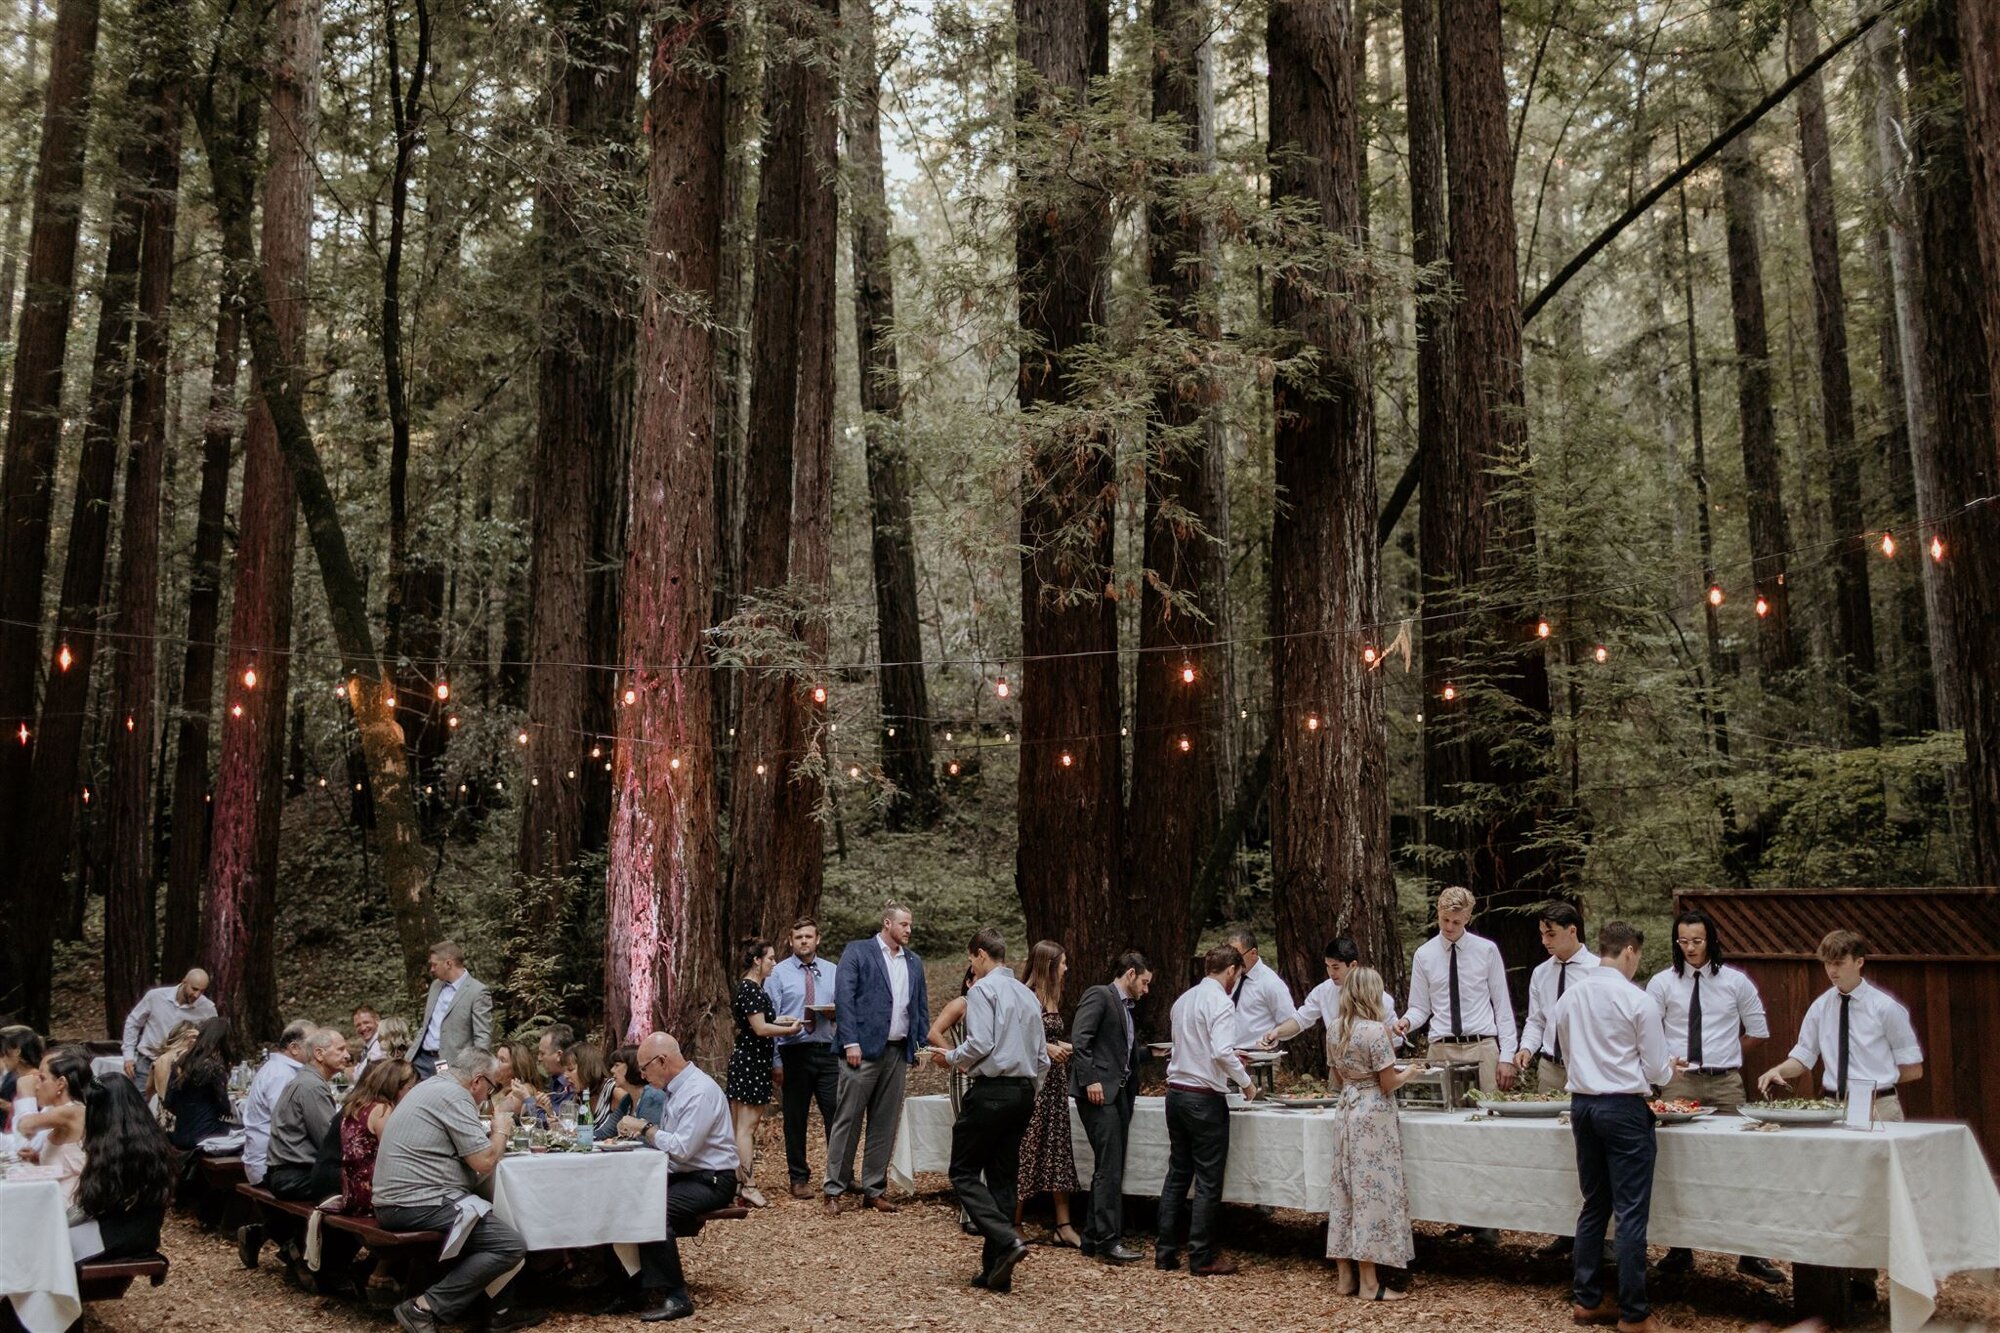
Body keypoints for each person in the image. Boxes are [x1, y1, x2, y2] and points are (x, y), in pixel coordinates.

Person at [1648, 909, 1782, 1283]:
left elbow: (1758, 1029)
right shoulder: (1661, 983)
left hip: (1725, 1083)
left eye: (1697, 941)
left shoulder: (1735, 982)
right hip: (1679, 1083)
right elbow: (1648, 1030)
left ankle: (1750, 1252)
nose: (1690, 948)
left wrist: (1727, 1054)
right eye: (1683, 941)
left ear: (1711, 941)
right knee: (1676, 1164)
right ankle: (1679, 1249)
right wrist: (1665, 1063)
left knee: (1739, 1163)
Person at [1553, 921, 1674, 1333]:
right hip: (1623, 1107)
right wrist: (1665, 1069)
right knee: (1630, 1212)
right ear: (1628, 952)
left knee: (1594, 1204)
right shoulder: (1637, 1000)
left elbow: (1567, 1054)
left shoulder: (1570, 997)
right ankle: (1634, 1314)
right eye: (1637, 957)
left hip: (1583, 1105)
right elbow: (1658, 1069)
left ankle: (1586, 1300)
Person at [371, 1046, 540, 1333]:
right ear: (477, 1080)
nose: (488, 1095)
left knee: (490, 1221)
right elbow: (484, 1161)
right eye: (490, 1087)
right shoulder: (455, 1096)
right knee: (508, 1244)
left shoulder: (432, 1087)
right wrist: (501, 1129)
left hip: (397, 1198)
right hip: (416, 1202)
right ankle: (424, 1307)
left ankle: (489, 1306)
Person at [923, 929, 1049, 1295]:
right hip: (1024, 1093)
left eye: (970, 959)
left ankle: (1006, 1239)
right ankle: (996, 1271)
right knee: (1003, 1178)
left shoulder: (981, 990)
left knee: (962, 1171)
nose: (970, 967)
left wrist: (949, 1057)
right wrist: (1029, 1093)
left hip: (992, 1091)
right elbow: (1042, 1057)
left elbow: (979, 1043)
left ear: (980, 955)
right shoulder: (1028, 995)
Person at [612, 1033, 740, 1323]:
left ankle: (677, 1296)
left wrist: (645, 1128)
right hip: (687, 1174)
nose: (642, 1075)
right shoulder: (676, 1089)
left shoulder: (698, 1091)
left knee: (656, 1210)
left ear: (662, 1061)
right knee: (626, 1198)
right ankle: (632, 1287)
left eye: (644, 1068)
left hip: (713, 1179)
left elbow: (682, 1148)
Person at [1325, 967, 1425, 1301]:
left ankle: (1345, 1277)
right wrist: (1408, 1072)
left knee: (1345, 1189)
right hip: (1372, 1114)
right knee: (1371, 1192)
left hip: (1346, 1109)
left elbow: (1339, 1079)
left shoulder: (1334, 1028)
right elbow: (1387, 1082)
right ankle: (1369, 1283)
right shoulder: (1375, 1032)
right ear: (1371, 995)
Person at [1157, 944, 1255, 1277]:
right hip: (1203, 1098)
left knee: (1177, 1173)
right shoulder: (1221, 1003)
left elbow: (1194, 1046)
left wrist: (1227, 1056)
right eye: (1238, 975)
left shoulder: (1183, 1000)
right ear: (1231, 971)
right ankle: (1201, 1256)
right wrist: (1246, 1082)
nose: (1236, 981)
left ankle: (1165, 1252)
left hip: (1176, 1094)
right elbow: (1221, 1052)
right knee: (1208, 1180)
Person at [826, 901, 930, 1215]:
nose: (909, 930)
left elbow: (920, 1007)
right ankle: (834, 1188)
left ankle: (874, 1188)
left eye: (911, 925)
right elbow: (844, 999)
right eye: (904, 925)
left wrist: (919, 1045)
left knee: (884, 1123)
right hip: (861, 1051)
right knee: (848, 1120)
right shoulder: (858, 952)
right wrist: (850, 1042)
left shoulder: (913, 962)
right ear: (887, 923)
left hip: (897, 1051)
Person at [1758, 928, 1923, 1115]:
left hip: (1877, 1104)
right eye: (1827, 964)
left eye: (1839, 963)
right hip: (1833, 1105)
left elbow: (1913, 1069)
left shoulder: (1885, 1007)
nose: (1832, 970)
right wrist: (1778, 1071)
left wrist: (1876, 1080)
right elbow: (1803, 1056)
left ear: (1859, 962)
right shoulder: (1821, 1007)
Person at [1069, 951, 1151, 1264]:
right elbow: (1081, 1039)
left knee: (1111, 1164)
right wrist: (1090, 1080)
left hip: (1118, 1095)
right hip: (1098, 1094)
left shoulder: (1126, 1007)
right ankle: (1107, 1239)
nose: (1146, 989)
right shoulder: (1100, 995)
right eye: (1144, 982)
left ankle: (1092, 1237)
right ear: (1130, 974)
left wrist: (1148, 1055)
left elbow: (1116, 1050)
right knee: (1109, 1166)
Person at [1400, 887, 1519, 1093]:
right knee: (1442, 1120)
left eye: (1456, 922)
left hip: (1482, 1047)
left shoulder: (1486, 950)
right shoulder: (1424, 954)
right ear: (1438, 912)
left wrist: (1507, 1055)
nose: (1449, 926)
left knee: (1487, 1116)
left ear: (1467, 918)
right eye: (1445, 920)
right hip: (1442, 1049)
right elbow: (1419, 1007)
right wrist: (1407, 1022)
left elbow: (1502, 1006)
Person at [766, 916, 839, 1201]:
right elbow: (770, 1019)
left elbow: (847, 1008)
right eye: (799, 938)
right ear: (791, 941)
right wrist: (776, 1060)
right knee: (795, 1119)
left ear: (817, 939)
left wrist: (836, 1013)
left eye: (809, 936)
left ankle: (838, 1174)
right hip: (793, 1051)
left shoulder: (833, 970)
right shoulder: (778, 974)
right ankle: (798, 1177)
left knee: (837, 1116)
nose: (804, 941)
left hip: (827, 1050)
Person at [726, 937, 802, 1208]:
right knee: (746, 1129)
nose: (774, 963)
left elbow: (761, 1021)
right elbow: (760, 1028)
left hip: (749, 1061)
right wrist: (788, 1031)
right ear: (757, 960)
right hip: (751, 1063)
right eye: (770, 958)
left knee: (742, 1128)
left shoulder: (753, 988)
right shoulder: (751, 989)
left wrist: (781, 1021)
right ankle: (748, 1185)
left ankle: (737, 1183)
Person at [1013, 939, 1079, 1244]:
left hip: (1055, 1086)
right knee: (1027, 1148)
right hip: (1034, 1086)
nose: (1066, 967)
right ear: (1049, 965)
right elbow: (1015, 1039)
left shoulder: (1053, 996)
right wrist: (1047, 1049)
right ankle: (1012, 1220)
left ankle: (1063, 1226)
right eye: (1063, 962)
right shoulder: (1026, 995)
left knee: (1058, 1151)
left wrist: (1061, 1046)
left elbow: (1047, 1035)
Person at [68, 1075, 173, 1263]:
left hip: (114, 1237)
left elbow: (94, 1201)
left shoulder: (111, 1149)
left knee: (50, 1246)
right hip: (144, 1233)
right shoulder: (152, 1138)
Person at [1516, 904, 1597, 1096]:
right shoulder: (1541, 973)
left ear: (1572, 931)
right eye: (1542, 934)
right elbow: (1536, 1020)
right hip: (1549, 1068)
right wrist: (1526, 1047)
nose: (1544, 941)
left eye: (1551, 934)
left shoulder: (1597, 970)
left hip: (1586, 1067)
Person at [1264, 937, 1400, 1052]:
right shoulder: (1323, 991)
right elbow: (1301, 1019)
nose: (1331, 973)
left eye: (1336, 967)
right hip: (1338, 1063)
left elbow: (1395, 1038)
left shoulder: (1379, 996)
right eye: (1327, 966)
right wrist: (1277, 1032)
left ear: (1352, 965)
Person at [926, 967, 980, 1236]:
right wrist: (955, 1058)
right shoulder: (962, 1004)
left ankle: (985, 1208)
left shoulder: (994, 1004)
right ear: (969, 982)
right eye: (977, 978)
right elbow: (934, 1032)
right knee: (969, 1141)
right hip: (965, 1080)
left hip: (989, 1080)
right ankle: (968, 1211)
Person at [267, 1027, 350, 1201]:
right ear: (319, 1054)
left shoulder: (306, 1080)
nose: (347, 1055)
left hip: (285, 1174)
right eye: (340, 1049)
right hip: (295, 1177)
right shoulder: (311, 1087)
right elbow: (330, 1142)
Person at [339, 1057, 420, 1215]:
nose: (414, 1094)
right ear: (395, 1087)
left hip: (352, 1194)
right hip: (373, 1196)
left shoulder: (356, 1105)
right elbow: (397, 1156)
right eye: (410, 1088)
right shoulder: (382, 1111)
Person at [13, 1045, 90, 1206]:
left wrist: (26, 1093)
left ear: (61, 1083)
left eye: (42, 1079)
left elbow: (25, 1127)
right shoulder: (58, 1112)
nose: (37, 1086)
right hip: (53, 1196)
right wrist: (37, 1157)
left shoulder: (72, 1110)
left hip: (70, 1207)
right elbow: (66, 1166)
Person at [243, 1021, 314, 1186]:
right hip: (269, 1168)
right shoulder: (281, 1075)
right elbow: (287, 1123)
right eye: (312, 1043)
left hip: (273, 1161)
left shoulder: (280, 1069)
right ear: (294, 1048)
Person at [120, 968, 217, 1086]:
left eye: (202, 991)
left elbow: (212, 1038)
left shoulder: (207, 1008)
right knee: (137, 1103)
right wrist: (128, 1055)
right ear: (184, 982)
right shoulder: (155, 997)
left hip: (179, 1068)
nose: (197, 995)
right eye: (194, 989)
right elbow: (133, 1023)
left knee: (174, 1104)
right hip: (147, 1061)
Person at [413, 940, 491, 1079]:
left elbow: (482, 1036)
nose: (431, 969)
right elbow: (426, 1024)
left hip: (451, 1063)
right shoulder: (435, 986)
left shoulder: (477, 991)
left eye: (434, 964)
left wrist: (478, 1069)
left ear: (449, 963)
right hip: (420, 1059)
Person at [1226, 931, 1297, 1067]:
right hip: (1229, 1055)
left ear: (1253, 953)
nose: (1232, 962)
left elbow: (1291, 1021)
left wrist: (1274, 1036)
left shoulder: (1270, 982)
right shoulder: (1230, 977)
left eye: (1237, 956)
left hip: (1258, 1058)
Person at [163, 1017, 236, 1151]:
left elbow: (168, 1101)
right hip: (206, 1134)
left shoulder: (181, 1063)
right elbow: (224, 1107)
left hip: (180, 1133)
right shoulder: (214, 1067)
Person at [144, 1020, 202, 1106]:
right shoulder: (186, 1061)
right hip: (184, 1115)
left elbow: (148, 1093)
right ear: (191, 1039)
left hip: (162, 1115)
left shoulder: (157, 1062)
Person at [0, 1026, 46, 1132]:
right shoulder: (19, 1078)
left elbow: (37, 1119)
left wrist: (5, 1105)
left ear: (16, 1051)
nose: (2, 1059)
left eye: (2, 1053)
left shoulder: (37, 1080)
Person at [536, 1023, 578, 1119]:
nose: (539, 1058)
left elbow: (562, 1121)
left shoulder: (573, 1084)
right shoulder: (555, 1080)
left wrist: (527, 1100)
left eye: (542, 1053)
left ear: (559, 1055)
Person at [352, 1005, 383, 1075]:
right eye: (358, 1025)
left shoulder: (381, 1045)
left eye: (366, 1022)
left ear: (377, 1020)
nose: (363, 1028)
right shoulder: (367, 1048)